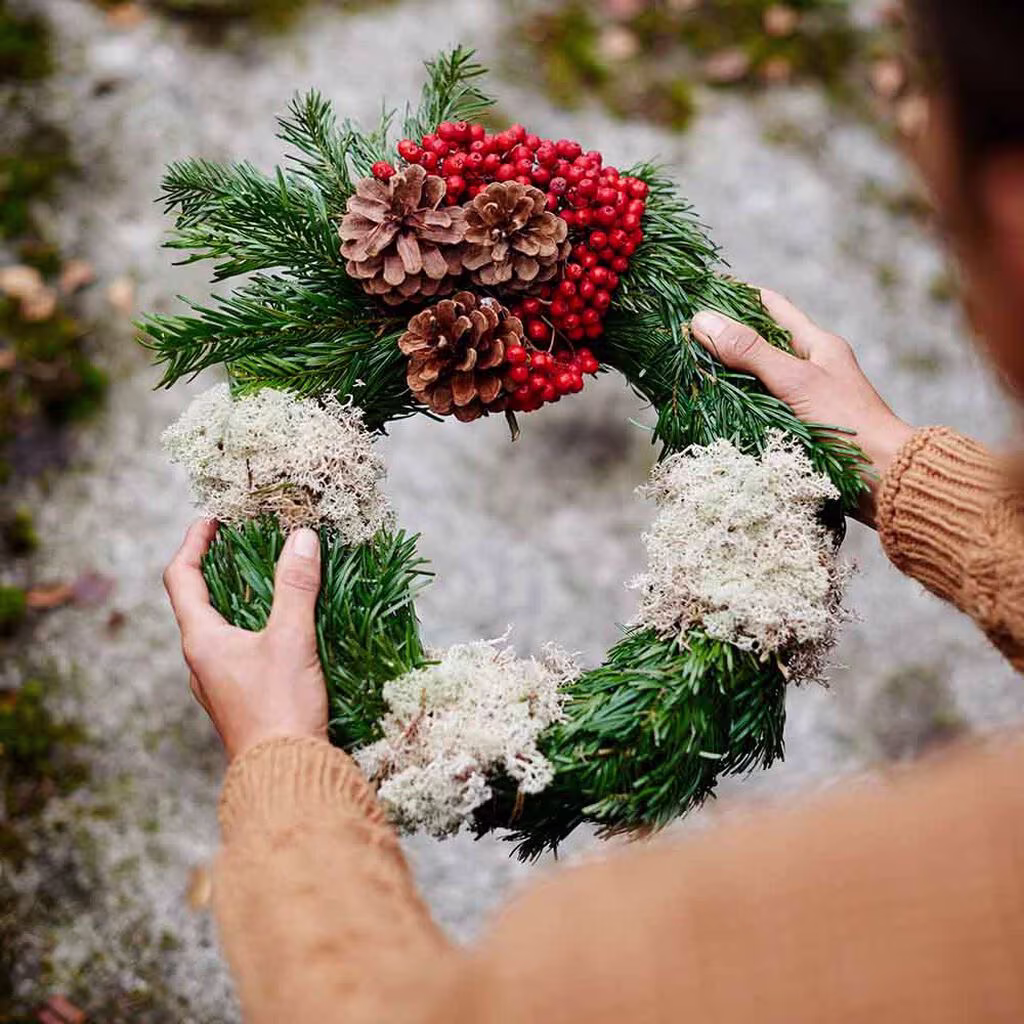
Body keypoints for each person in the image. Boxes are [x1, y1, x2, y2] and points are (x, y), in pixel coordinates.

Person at [162, 3, 1024, 1020]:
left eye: (923, 111)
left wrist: (279, 761)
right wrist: (903, 473)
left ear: (1010, 211)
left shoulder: (672, 950)